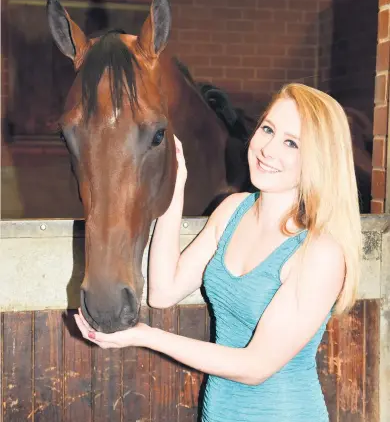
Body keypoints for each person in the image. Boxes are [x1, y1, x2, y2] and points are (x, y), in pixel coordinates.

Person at [75, 83, 362, 421]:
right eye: (268, 129)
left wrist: (145, 336)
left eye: (291, 143)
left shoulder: (319, 252)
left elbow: (256, 366)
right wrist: (173, 186)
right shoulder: (233, 211)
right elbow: (164, 291)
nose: (268, 149)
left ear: (320, 159)